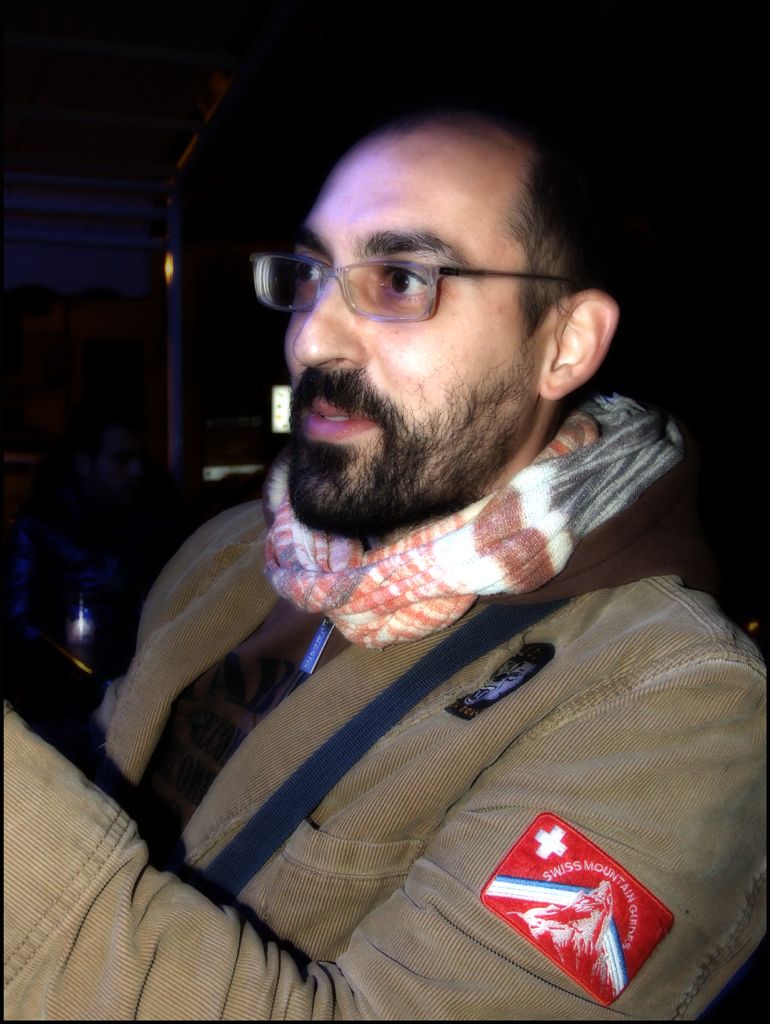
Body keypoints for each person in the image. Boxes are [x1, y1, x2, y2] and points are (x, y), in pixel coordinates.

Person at [4, 109, 765, 1020]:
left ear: (563, 344)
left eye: (402, 279)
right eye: (310, 275)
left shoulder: (676, 700)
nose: (310, 340)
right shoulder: (235, 548)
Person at [3, 401, 186, 773]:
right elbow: (21, 623)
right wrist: (91, 679)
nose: (135, 472)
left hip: (144, 702)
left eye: (138, 459)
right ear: (84, 464)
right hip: (64, 711)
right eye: (120, 460)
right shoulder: (40, 528)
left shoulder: (155, 524)